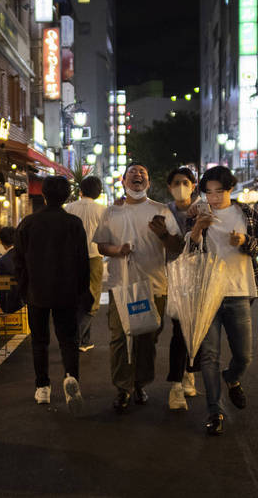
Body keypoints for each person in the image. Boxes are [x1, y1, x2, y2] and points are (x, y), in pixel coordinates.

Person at [93, 162, 183, 413]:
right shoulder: (112, 212)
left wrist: (164, 234)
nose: (138, 176)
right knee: (119, 340)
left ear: (148, 183)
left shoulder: (161, 210)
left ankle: (140, 383)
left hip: (153, 287)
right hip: (120, 286)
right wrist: (117, 250)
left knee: (146, 338)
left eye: (143, 173)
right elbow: (101, 246)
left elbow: (177, 247)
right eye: (132, 173)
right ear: (123, 181)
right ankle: (123, 388)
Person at [188, 166, 258, 435]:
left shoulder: (246, 213)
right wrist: (197, 230)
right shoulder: (200, 213)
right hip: (207, 293)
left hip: (239, 292)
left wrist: (245, 241)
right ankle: (215, 410)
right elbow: (188, 252)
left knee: (244, 355)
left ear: (230, 189)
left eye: (219, 191)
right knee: (209, 356)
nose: (213, 197)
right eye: (208, 192)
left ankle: (232, 378)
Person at [14, 176, 91, 415]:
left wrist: (24, 289)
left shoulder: (28, 223)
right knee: (69, 340)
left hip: (37, 291)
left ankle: (42, 387)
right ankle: (71, 377)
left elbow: (19, 261)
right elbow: (82, 262)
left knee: (40, 340)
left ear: (43, 195)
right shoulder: (74, 223)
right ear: (67, 196)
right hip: (67, 292)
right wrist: (82, 290)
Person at [165, 166, 199, 409]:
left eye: (185, 182)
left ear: (194, 185)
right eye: (176, 182)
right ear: (169, 187)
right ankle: (176, 385)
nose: (181, 186)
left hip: (201, 277)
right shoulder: (163, 211)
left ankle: (190, 370)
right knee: (179, 329)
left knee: (197, 329)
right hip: (174, 277)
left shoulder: (205, 210)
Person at [64, 176, 106, 352]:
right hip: (95, 257)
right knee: (93, 299)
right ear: (98, 191)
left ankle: (85, 341)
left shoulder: (69, 208)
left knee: (77, 298)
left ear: (81, 190)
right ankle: (77, 338)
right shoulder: (102, 210)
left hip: (73, 257)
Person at [0, 226, 21, 314]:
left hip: (11, 304)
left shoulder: (2, 261)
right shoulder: (26, 255)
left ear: (2, 242)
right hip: (27, 300)